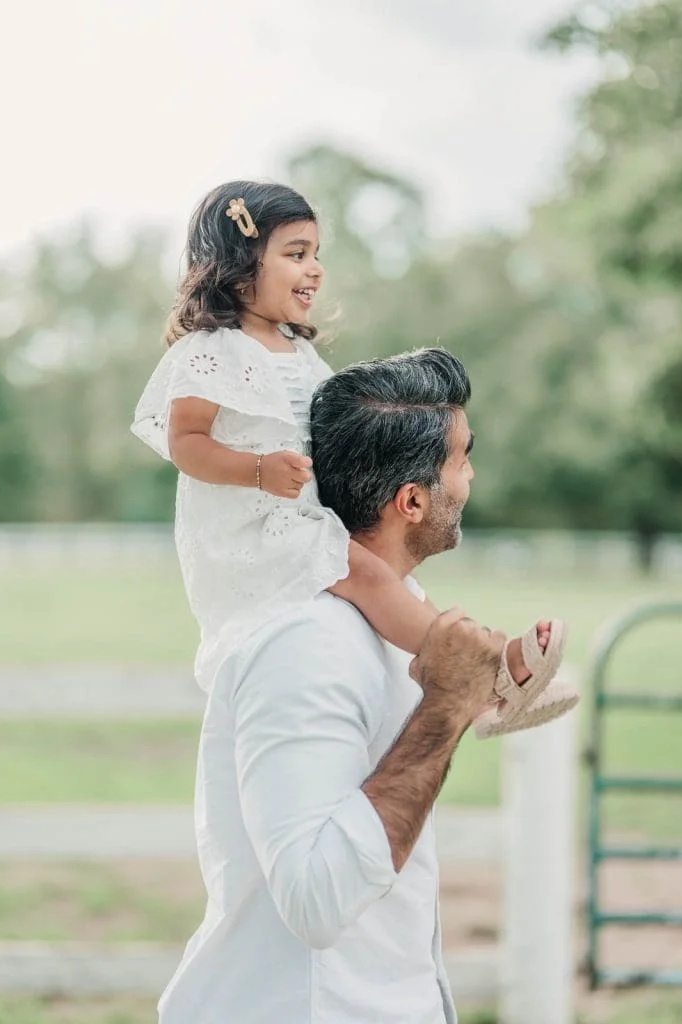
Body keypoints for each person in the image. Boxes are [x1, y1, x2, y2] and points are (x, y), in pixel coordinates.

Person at [154, 347, 572, 1024]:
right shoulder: (307, 641)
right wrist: (445, 708)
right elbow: (315, 899)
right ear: (412, 500)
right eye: (462, 459)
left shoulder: (394, 612)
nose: (471, 477)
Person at [131, 179, 577, 736]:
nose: (314, 269)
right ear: (239, 263)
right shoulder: (211, 352)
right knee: (366, 574)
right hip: (253, 528)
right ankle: (475, 675)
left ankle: (493, 690)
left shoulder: (298, 352)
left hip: (304, 511)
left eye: (317, 255)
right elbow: (186, 443)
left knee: (392, 578)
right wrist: (258, 471)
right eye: (296, 254)